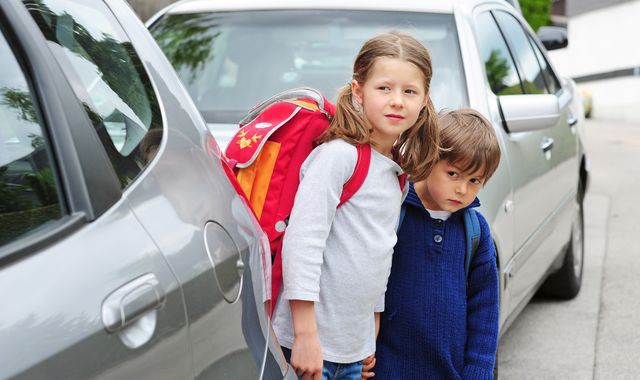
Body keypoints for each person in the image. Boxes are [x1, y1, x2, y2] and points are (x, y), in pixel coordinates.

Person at [271, 31, 441, 380]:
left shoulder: (395, 171)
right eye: (384, 88)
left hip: (353, 352)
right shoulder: (339, 156)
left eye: (409, 91)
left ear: (424, 100)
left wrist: (368, 337)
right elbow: (303, 244)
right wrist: (305, 336)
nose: (397, 101)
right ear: (358, 91)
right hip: (308, 347)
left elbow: (377, 255)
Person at [364, 108, 502, 379]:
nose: (462, 189)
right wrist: (358, 350)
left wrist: (478, 371)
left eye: (474, 180)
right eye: (453, 174)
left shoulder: (476, 232)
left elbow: (485, 312)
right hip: (388, 369)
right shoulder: (394, 211)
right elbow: (364, 283)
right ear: (430, 159)